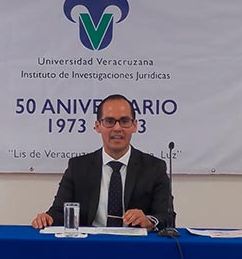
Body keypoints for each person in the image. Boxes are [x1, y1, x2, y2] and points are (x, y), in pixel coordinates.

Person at [31, 94, 174, 231]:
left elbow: (167, 217)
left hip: (135, 247)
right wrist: (46, 218)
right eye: (109, 121)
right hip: (91, 246)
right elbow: (60, 212)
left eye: (124, 121)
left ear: (135, 125)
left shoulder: (154, 168)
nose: (117, 128)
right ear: (97, 126)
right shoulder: (78, 167)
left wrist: (148, 221)